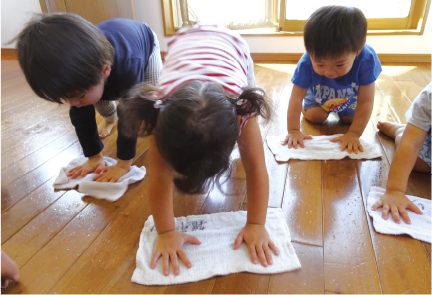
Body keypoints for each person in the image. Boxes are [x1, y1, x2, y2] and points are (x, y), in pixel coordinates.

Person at [119, 23, 278, 276]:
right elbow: (159, 176)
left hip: (232, 46)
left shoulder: (243, 109)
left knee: (252, 149)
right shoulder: (161, 116)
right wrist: (166, 232)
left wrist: (257, 224)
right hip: (185, 42)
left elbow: (256, 167)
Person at [15, 13, 162, 182]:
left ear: (104, 71)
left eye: (76, 96)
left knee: (148, 100)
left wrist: (122, 165)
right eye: (65, 98)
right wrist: (94, 157)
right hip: (102, 64)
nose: (72, 103)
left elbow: (130, 118)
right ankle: (109, 119)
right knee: (89, 101)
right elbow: (81, 115)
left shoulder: (129, 66)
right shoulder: (82, 76)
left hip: (145, 43)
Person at [283, 6, 382, 154]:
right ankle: (309, 107)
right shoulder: (306, 62)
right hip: (319, 96)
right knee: (316, 117)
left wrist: (354, 134)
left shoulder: (366, 59)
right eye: (320, 64)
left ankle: (342, 113)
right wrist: (293, 130)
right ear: (310, 52)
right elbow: (296, 97)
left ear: (358, 50)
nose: (329, 72)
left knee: (351, 120)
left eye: (339, 64)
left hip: (348, 98)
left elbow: (366, 101)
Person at [372, 83, 431, 224]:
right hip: (426, 138)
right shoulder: (429, 97)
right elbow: (411, 144)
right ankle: (401, 131)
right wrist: (395, 191)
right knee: (418, 163)